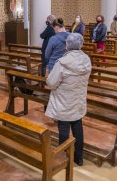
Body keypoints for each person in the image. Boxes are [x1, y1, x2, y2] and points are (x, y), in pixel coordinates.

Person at [46, 33, 91, 166]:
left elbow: (51, 82)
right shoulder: (86, 60)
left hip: (63, 101)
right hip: (78, 99)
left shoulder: (62, 63)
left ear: (67, 45)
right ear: (81, 45)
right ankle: (79, 157)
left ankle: (63, 157)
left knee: (64, 128)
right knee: (78, 127)